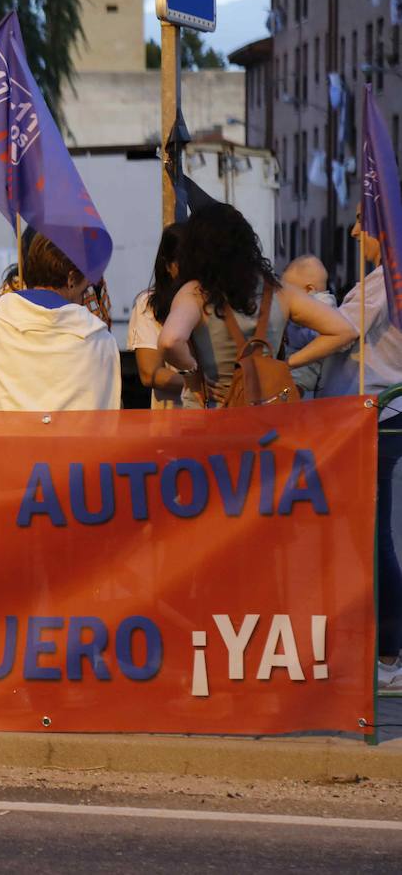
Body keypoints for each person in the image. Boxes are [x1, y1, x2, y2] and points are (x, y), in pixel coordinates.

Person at [158, 203, 355, 407]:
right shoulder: (281, 291)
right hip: (269, 419)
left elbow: (169, 341)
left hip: (213, 416)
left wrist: (192, 373)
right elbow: (344, 331)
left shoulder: (194, 293)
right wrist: (286, 365)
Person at [319, 210, 402, 691]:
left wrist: (291, 354)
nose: (353, 232)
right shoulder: (383, 277)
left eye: (359, 221)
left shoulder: (384, 280)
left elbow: (341, 329)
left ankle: (387, 657)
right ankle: (382, 650)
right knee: (365, 539)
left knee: (370, 540)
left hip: (371, 417)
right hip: (373, 416)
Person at [0, 230, 120, 411]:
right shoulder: (99, 335)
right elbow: (107, 409)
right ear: (71, 279)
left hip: (2, 436)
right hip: (69, 438)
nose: (84, 295)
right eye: (84, 287)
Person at [127, 223, 187, 409]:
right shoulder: (149, 304)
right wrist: (200, 386)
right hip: (172, 425)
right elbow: (149, 373)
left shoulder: (213, 299)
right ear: (167, 265)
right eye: (183, 262)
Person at [280, 254, 336, 398]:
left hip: (308, 368)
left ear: (309, 290)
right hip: (299, 362)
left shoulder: (324, 304)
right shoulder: (316, 302)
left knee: (294, 386)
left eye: (292, 293)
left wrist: (293, 328)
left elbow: (320, 334)